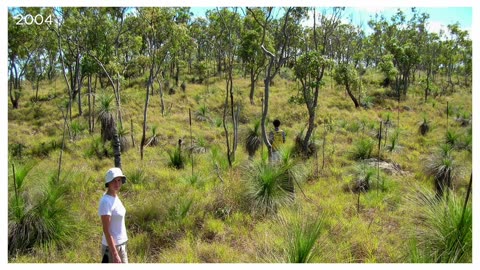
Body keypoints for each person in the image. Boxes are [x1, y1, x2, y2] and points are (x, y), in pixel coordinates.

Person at [99, 167, 128, 263]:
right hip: (111, 248)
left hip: (121, 245)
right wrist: (115, 254)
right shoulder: (106, 201)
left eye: (119, 180)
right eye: (114, 181)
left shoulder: (115, 197)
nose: (117, 183)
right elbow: (106, 230)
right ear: (108, 183)